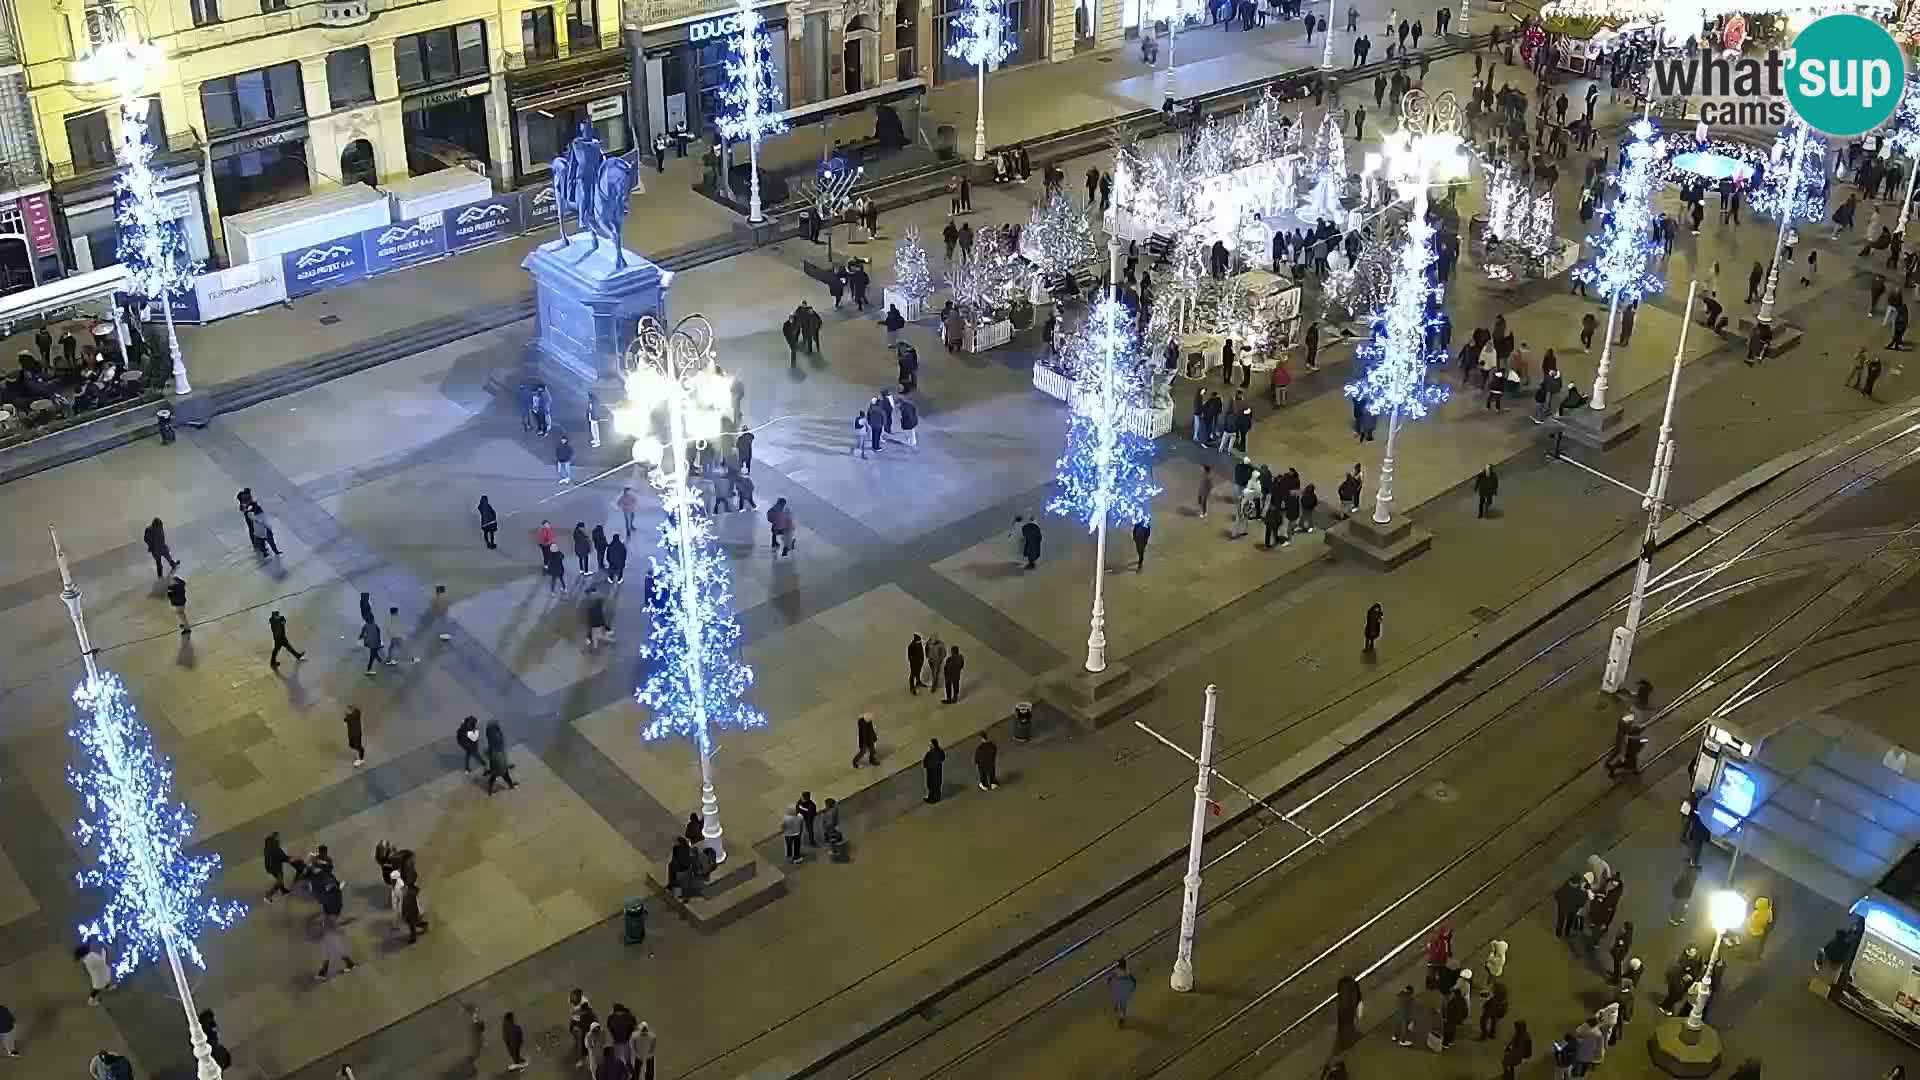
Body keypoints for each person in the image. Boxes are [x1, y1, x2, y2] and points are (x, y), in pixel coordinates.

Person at [1106, 959, 1138, 1026]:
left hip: (1118, 989)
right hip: (1123, 989)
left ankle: (1121, 1017)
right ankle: (1121, 1017)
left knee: (1118, 1004)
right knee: (1122, 1004)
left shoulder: (1117, 971)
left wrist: (1109, 983)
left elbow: (1110, 978)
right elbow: (1133, 980)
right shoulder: (1127, 971)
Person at [923, 738, 946, 802]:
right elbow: (943, 758)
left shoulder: (930, 754)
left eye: (931, 744)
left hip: (932, 772)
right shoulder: (939, 751)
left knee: (932, 785)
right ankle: (936, 797)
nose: (930, 746)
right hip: (937, 772)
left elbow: (925, 762)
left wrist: (927, 765)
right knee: (936, 785)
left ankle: (932, 798)